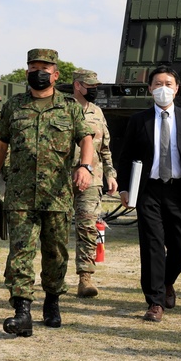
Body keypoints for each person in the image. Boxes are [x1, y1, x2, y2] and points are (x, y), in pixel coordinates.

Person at [0, 48, 93, 337]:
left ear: (56, 75)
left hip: (56, 195)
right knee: (19, 253)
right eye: (33, 67)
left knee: (55, 254)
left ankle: (52, 302)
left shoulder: (70, 107)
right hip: (19, 195)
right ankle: (22, 311)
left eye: (45, 68)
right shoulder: (13, 106)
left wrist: (85, 167)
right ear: (27, 72)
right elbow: (0, 147)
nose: (38, 72)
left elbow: (86, 139)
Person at [116, 65, 181, 323]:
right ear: (149, 89)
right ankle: (155, 301)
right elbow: (125, 158)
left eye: (168, 84)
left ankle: (168, 282)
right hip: (149, 190)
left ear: (177, 89)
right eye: (157, 84)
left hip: (180, 191)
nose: (163, 89)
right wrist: (125, 188)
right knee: (152, 246)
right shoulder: (138, 121)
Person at [70, 69, 117, 298]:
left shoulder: (97, 112)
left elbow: (104, 147)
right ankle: (54, 276)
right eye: (91, 86)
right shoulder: (62, 108)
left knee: (88, 227)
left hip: (93, 178)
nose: (95, 90)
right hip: (62, 177)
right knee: (56, 228)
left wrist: (110, 173)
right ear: (78, 85)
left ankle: (85, 277)